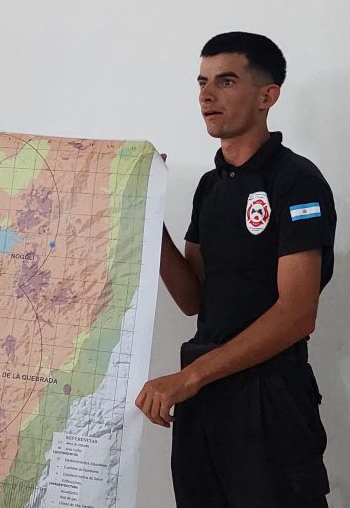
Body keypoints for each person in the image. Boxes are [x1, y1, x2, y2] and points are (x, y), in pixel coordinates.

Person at [136, 32, 334, 507]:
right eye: (202, 82)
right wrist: (147, 211)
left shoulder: (296, 181)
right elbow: (193, 298)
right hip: (204, 399)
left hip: (270, 398)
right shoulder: (210, 186)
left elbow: (297, 314)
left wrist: (191, 377)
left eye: (225, 81)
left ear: (268, 96)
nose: (207, 95)